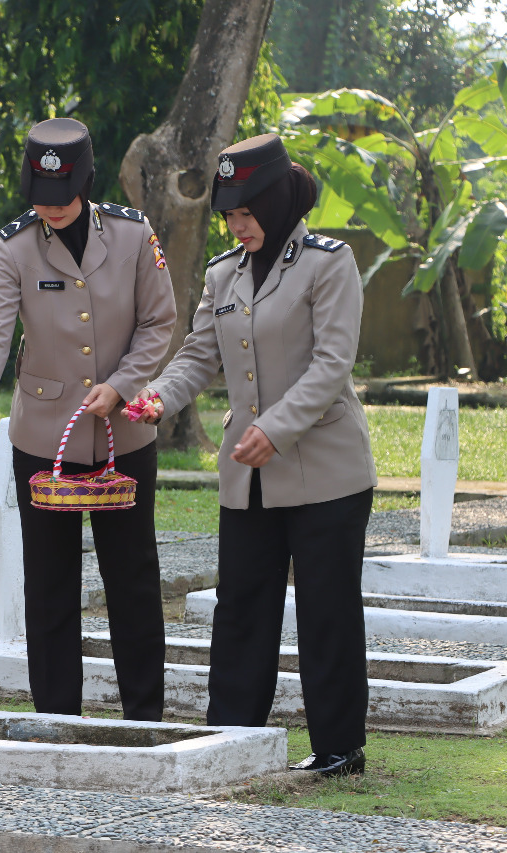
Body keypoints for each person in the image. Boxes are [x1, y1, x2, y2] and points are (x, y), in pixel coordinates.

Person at [130, 133, 376, 776]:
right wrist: (156, 398)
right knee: (241, 608)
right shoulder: (223, 273)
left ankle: (339, 748)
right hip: (249, 474)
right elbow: (198, 356)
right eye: (229, 215)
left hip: (327, 471)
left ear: (275, 202)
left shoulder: (329, 264)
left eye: (246, 213)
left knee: (326, 608)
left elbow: (332, 365)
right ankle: (232, 738)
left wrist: (276, 427)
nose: (238, 226)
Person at [0, 118, 177, 719]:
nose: (53, 208)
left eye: (64, 195)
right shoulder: (14, 245)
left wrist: (122, 386)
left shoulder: (132, 233)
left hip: (124, 437)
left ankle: (143, 719)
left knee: (133, 580)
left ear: (85, 182)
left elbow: (159, 323)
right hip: (45, 438)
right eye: (42, 198)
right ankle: (57, 719)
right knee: (48, 586)